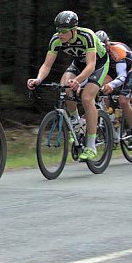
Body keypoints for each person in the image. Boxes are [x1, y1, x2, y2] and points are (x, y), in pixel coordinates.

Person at [27, 11, 109, 161]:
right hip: (78, 62)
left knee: (86, 98)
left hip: (98, 64)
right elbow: (47, 65)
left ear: (74, 29)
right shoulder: (55, 40)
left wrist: (78, 80)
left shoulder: (87, 36)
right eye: (58, 30)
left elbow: (91, 65)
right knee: (64, 86)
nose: (60, 34)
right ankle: (76, 123)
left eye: (64, 31)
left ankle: (91, 146)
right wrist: (38, 79)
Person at [95, 30, 132, 145]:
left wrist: (111, 85)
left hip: (129, 69)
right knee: (96, 89)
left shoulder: (117, 50)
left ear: (107, 44)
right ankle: (106, 120)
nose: (100, 50)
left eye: (103, 47)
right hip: (111, 70)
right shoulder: (94, 53)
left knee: (123, 101)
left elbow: (122, 76)